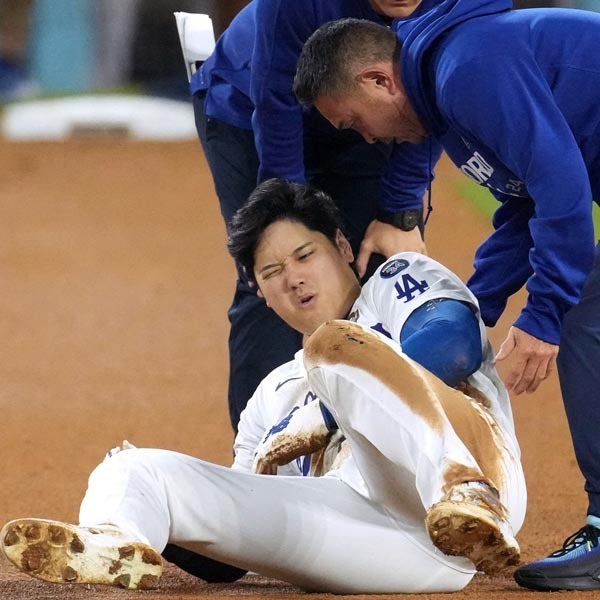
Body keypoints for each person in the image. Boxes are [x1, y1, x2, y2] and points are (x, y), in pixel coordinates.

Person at [1, 179, 525, 593]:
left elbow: (454, 346)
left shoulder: (394, 283)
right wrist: (172, 517)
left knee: (334, 346)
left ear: (342, 246)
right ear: (259, 291)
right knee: (132, 468)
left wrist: (325, 414)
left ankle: (463, 492)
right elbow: (232, 539)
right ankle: (117, 538)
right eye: (271, 271)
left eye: (305, 255)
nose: (293, 278)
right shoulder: (275, 393)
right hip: (375, 544)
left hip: (475, 484)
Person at [292, 3, 600, 590]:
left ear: (379, 80)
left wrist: (544, 316)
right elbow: (527, 207)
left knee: (585, 304)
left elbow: (562, 187)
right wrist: (473, 308)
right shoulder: (449, 99)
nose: (367, 137)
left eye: (357, 121)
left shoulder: (469, 70)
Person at [192, 0, 446, 431]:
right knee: (274, 275)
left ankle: (395, 448)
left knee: (381, 268)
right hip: (251, 110)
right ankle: (268, 464)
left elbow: (435, 93)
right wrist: (284, 216)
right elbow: (274, 100)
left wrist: (400, 209)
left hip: (367, 117)